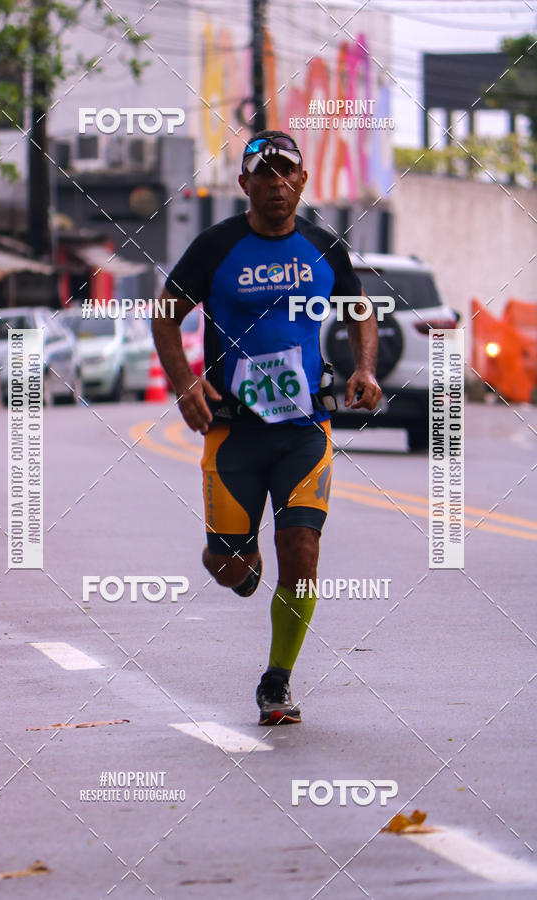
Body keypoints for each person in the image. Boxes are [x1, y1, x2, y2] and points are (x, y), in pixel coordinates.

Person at [152, 130, 381, 725]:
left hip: (307, 426)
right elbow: (165, 314)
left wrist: (364, 368)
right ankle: (235, 560)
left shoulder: (324, 248)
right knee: (231, 566)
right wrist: (185, 383)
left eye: (287, 174)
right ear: (245, 184)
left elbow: (361, 310)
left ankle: (277, 682)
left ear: (302, 182)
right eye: (265, 174)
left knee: (301, 548)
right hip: (234, 432)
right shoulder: (216, 247)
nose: (277, 184)